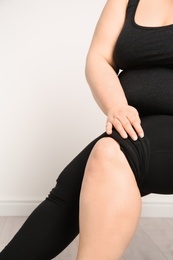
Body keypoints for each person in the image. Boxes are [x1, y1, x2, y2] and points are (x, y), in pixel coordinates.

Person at [1, 0, 173, 259]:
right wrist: (116, 106)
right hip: (139, 127)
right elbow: (99, 58)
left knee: (110, 153)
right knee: (70, 192)